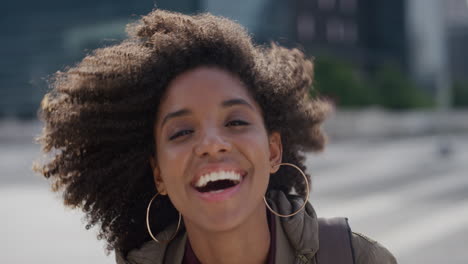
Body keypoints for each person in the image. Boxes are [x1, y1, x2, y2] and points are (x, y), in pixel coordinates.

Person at [35, 9, 397, 264]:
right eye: (182, 131)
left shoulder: (360, 260)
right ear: (159, 173)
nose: (211, 143)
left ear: (273, 151)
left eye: (236, 122)